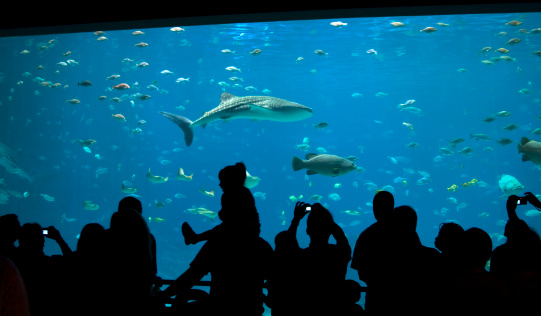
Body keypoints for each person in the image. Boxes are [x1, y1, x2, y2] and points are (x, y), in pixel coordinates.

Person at [159, 202, 272, 316]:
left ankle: (194, 238)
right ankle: (195, 238)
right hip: (251, 309)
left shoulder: (216, 243)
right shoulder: (263, 246)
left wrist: (163, 296)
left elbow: (191, 276)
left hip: (218, 308)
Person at [272, 202, 351, 316]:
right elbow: (343, 240)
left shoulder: (300, 257)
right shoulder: (338, 255)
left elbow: (288, 246)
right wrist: (327, 220)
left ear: (307, 231)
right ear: (330, 230)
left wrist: (296, 219)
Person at [181, 162, 259, 245]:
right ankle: (195, 238)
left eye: (223, 181)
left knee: (219, 230)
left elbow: (226, 216)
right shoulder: (245, 192)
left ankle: (195, 238)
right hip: (253, 228)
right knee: (219, 229)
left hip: (239, 229)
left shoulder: (229, 196)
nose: (219, 184)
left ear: (232, 181)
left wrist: (220, 214)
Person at [490, 193, 541, 316]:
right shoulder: (537, 252)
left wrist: (510, 211)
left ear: (506, 234)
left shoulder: (500, 254)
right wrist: (539, 205)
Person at [350, 190, 394, 313]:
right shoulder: (407, 234)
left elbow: (361, 273)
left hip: (375, 298)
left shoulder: (366, 235)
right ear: (392, 208)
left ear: (374, 209)